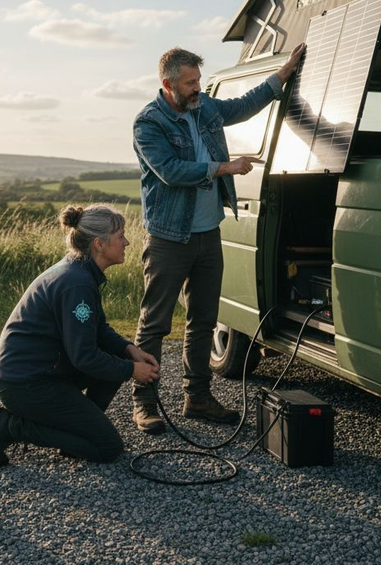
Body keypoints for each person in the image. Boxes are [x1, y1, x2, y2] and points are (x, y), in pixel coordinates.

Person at [130, 44, 305, 434]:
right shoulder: (148, 123)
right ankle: (144, 403)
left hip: (208, 234)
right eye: (190, 83)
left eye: (198, 81)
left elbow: (242, 105)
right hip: (168, 238)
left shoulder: (203, 107)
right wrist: (225, 166)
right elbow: (172, 171)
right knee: (155, 324)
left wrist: (283, 75)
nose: (197, 89)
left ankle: (198, 398)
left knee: (204, 320)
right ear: (168, 84)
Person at [0, 204, 160, 465]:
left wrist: (128, 350)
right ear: (99, 244)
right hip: (25, 384)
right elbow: (85, 357)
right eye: (121, 236)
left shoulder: (80, 271)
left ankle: (75, 433)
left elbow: (99, 329)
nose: (127, 242)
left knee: (115, 355)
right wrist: (131, 370)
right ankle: (10, 426)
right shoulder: (76, 283)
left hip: (43, 372)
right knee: (107, 448)